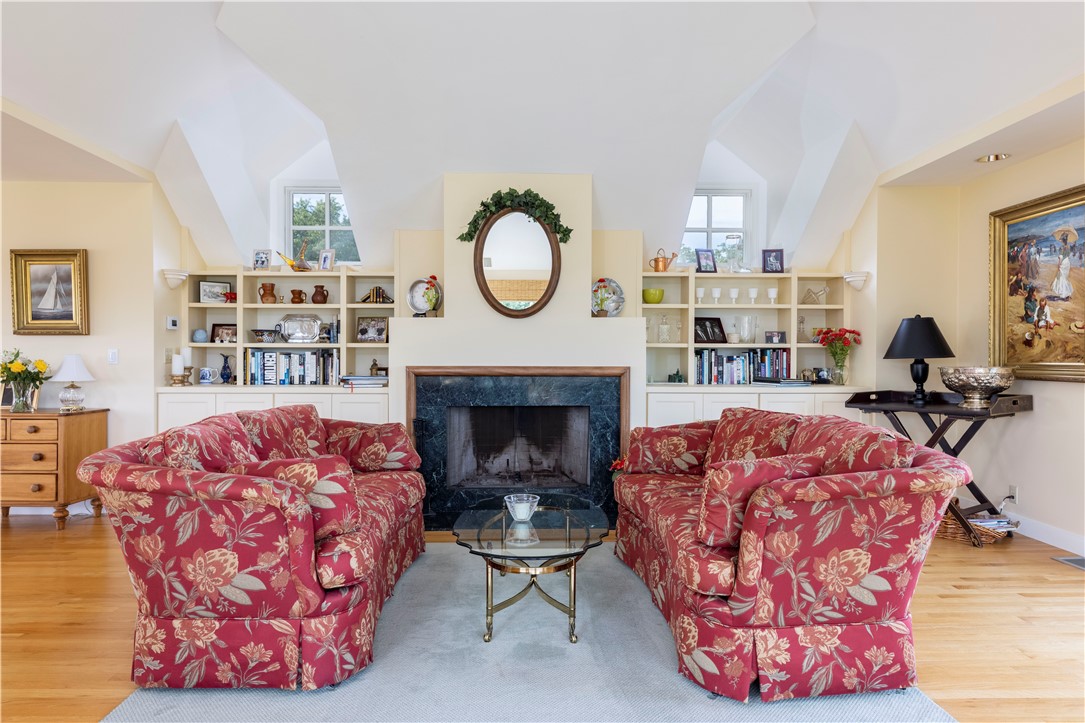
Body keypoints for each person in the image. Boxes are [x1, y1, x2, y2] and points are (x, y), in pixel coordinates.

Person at [1050, 234, 1073, 299]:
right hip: (1067, 262)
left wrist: (1059, 264)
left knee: (1061, 278)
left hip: (1063, 262)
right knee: (1065, 277)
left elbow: (1061, 257)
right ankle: (1068, 293)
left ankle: (1064, 293)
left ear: (1062, 241)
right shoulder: (1068, 247)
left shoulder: (1062, 247)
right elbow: (1068, 255)